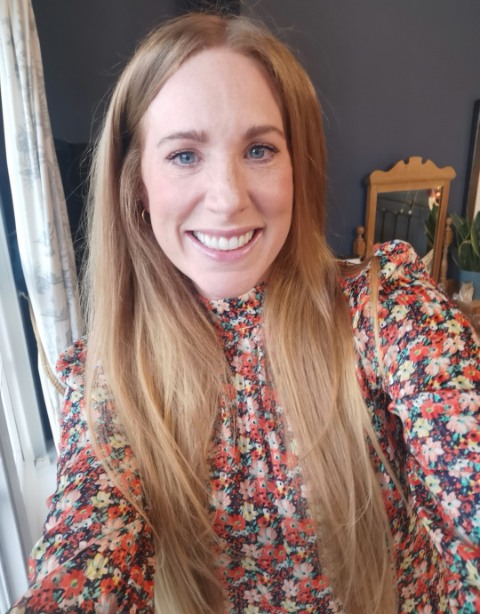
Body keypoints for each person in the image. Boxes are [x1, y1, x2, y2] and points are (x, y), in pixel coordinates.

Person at [10, 12, 480, 614]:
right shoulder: (112, 380)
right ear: (136, 186)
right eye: (184, 155)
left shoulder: (388, 312)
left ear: (297, 167)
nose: (229, 198)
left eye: (259, 149)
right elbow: (85, 558)